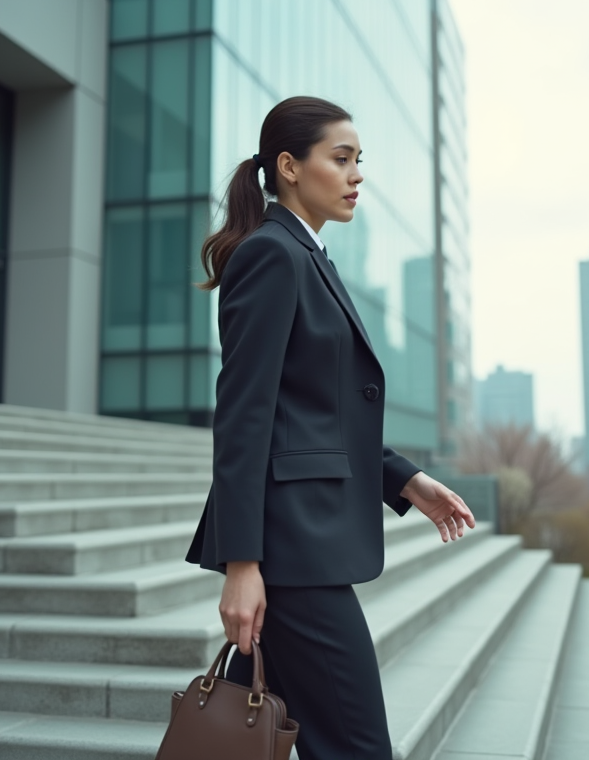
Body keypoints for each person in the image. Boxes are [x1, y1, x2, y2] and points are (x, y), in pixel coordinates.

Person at [186, 95, 476, 759]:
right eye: (340, 159)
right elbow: (245, 416)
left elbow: (320, 413)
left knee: (267, 742)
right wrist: (242, 563)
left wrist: (406, 481)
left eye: (358, 161)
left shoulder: (308, 256)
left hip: (304, 546)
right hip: (293, 554)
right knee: (356, 747)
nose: (356, 175)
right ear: (289, 166)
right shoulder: (272, 257)